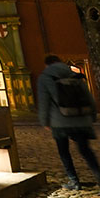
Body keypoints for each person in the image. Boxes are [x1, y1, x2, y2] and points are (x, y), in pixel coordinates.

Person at [37, 54, 100, 190]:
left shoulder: (45, 78)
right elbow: (89, 97)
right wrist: (92, 116)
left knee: (64, 152)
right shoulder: (74, 74)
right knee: (86, 150)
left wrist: (44, 121)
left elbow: (44, 102)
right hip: (81, 118)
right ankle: (99, 176)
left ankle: (74, 181)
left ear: (47, 65)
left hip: (60, 122)